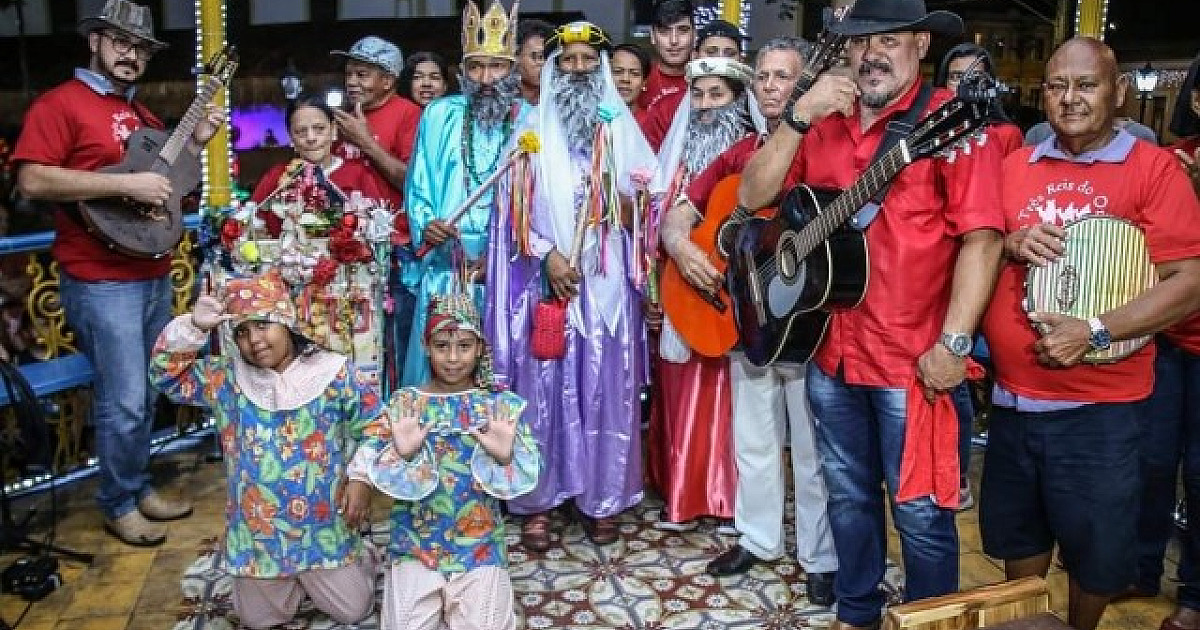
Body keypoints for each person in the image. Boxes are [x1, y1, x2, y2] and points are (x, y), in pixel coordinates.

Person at [737, 1, 1005, 627]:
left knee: (919, 513)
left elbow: (984, 240)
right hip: (831, 351)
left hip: (915, 363)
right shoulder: (823, 121)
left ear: (919, 43)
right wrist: (798, 118)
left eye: (887, 39)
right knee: (847, 499)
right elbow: (754, 198)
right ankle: (855, 612)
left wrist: (955, 345)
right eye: (859, 42)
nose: (871, 54)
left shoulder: (950, 122)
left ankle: (930, 619)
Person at [978, 38, 1200, 630]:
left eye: (1086, 84)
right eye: (1056, 85)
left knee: (1096, 552)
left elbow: (1190, 282)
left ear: (1118, 91)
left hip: (1101, 411)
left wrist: (1096, 332)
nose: (1069, 98)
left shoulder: (1153, 169)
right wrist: (1007, 244)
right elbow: (973, 253)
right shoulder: (1013, 166)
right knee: (1016, 532)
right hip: (1013, 401)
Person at [11, 0, 222, 546]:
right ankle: (117, 502)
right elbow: (32, 181)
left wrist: (195, 145)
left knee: (150, 390)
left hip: (150, 272)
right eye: (122, 43)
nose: (132, 56)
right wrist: (122, 186)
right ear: (95, 41)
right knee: (123, 395)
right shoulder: (60, 104)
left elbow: (170, 190)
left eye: (143, 49)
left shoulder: (145, 117)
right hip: (99, 277)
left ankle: (137, 484)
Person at [660, 36, 839, 606]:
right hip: (747, 317)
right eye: (761, 75)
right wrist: (682, 250)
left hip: (807, 320)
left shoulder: (825, 146)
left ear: (803, 84)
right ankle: (759, 539)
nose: (768, 86)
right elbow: (679, 215)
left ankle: (820, 556)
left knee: (811, 448)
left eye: (782, 76)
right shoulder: (737, 151)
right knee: (755, 438)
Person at [486, 20, 657, 551]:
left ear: (600, 67)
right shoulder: (529, 132)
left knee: (604, 392)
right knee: (543, 395)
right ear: (554, 69)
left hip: (604, 290)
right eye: (568, 61)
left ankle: (600, 499)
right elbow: (508, 216)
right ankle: (538, 501)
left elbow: (648, 208)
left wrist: (623, 202)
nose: (579, 69)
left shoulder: (621, 128)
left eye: (588, 61)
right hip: (549, 285)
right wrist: (549, 256)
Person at [149, 270, 380, 628]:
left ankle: (356, 558)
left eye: (262, 325)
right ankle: (286, 581)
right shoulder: (226, 379)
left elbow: (376, 426)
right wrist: (195, 326)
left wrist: (361, 479)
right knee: (258, 621)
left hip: (324, 529)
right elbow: (165, 377)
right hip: (260, 538)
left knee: (353, 610)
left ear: (286, 321)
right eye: (241, 332)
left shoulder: (335, 372)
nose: (254, 340)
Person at [345, 293, 539, 630]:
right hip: (415, 543)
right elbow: (371, 459)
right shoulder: (405, 404)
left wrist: (504, 456)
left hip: (479, 544)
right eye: (441, 346)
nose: (452, 358)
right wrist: (402, 455)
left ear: (479, 348)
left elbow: (525, 475)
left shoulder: (497, 407)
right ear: (426, 345)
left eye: (464, 346)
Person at [646, 55, 757, 529]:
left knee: (736, 402)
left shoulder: (755, 156)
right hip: (681, 293)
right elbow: (655, 226)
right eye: (698, 94)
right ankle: (685, 495)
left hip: (739, 298)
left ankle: (729, 499)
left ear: (739, 101)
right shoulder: (675, 162)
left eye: (718, 94)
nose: (706, 105)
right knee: (681, 391)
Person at [402, 0, 529, 388]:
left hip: (503, 278)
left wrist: (500, 258)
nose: (486, 78)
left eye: (496, 66)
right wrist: (428, 225)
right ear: (463, 71)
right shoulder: (440, 114)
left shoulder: (530, 121)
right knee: (438, 373)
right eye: (476, 67)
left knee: (500, 382)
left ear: (512, 70)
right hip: (445, 269)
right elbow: (418, 184)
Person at [933, 41, 1024, 510]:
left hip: (981, 269)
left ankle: (958, 475)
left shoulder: (1004, 135)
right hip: (933, 272)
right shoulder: (927, 131)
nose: (965, 88)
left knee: (962, 375)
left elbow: (1001, 214)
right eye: (955, 78)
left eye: (976, 79)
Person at [250, 96, 388, 237]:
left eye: (319, 129)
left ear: (334, 130)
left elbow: (379, 227)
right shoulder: (276, 177)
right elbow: (252, 224)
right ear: (291, 137)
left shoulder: (358, 174)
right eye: (301, 131)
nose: (311, 138)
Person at [643, 19, 746, 151]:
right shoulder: (665, 109)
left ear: (741, 62)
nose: (720, 60)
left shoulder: (754, 111)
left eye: (729, 54)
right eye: (711, 52)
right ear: (694, 57)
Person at [637, 0, 694, 114]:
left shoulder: (706, 82)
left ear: (694, 35)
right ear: (652, 36)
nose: (674, 40)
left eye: (683, 30)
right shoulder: (636, 80)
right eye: (664, 31)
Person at [610, 43, 652, 132]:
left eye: (635, 73)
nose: (625, 79)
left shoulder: (652, 124)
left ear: (644, 82)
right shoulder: (595, 121)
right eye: (618, 72)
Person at [515, 19, 554, 105]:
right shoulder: (503, 99)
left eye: (549, 58)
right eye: (539, 57)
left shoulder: (558, 99)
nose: (545, 64)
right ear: (516, 58)